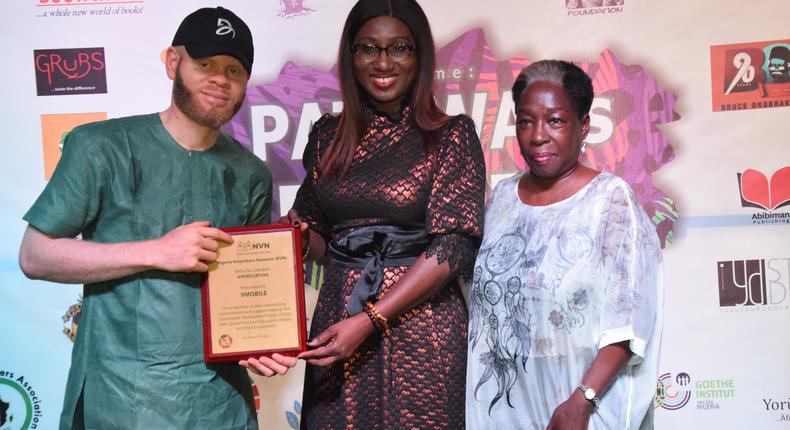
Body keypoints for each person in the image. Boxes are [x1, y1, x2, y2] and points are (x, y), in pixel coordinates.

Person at [18, 7, 293, 429]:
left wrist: (256, 343)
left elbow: (243, 289)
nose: (220, 78)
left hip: (220, 404)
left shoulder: (251, 174)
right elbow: (36, 256)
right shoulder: (101, 147)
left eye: (233, 69)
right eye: (205, 64)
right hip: (121, 399)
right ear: (172, 62)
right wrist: (158, 251)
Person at [286, 0, 485, 428]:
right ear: (350, 57)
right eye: (367, 48)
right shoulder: (326, 136)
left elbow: (454, 244)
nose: (382, 62)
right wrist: (301, 239)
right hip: (339, 324)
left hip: (423, 328)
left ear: (419, 56)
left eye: (398, 48)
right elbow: (317, 237)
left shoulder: (451, 135)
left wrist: (372, 318)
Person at [465, 60, 663, 430]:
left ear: (583, 125)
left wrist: (581, 402)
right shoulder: (503, 198)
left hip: (578, 409)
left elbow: (629, 322)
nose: (538, 135)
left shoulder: (611, 201)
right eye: (526, 121)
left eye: (555, 120)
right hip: (503, 407)